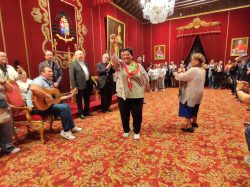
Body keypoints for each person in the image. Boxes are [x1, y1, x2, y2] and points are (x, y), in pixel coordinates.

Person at [26, 65, 82, 140]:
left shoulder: (49, 82)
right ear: (42, 73)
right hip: (37, 108)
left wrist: (69, 96)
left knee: (65, 105)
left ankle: (71, 127)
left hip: (47, 106)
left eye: (52, 71)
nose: (52, 73)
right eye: (49, 71)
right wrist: (47, 95)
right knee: (64, 107)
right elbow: (33, 88)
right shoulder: (38, 80)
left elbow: (55, 98)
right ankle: (65, 131)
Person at [113, 47, 149, 139]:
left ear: (132, 56)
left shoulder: (138, 66)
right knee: (124, 115)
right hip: (123, 95)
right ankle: (126, 130)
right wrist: (113, 45)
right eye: (124, 55)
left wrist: (145, 88)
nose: (125, 56)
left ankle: (136, 131)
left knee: (137, 115)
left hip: (137, 95)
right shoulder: (120, 65)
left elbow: (146, 77)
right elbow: (114, 58)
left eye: (128, 54)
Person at [174, 53, 206, 133]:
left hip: (191, 92)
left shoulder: (193, 70)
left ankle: (189, 126)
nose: (191, 61)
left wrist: (176, 74)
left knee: (186, 107)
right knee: (195, 106)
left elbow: (181, 77)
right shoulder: (203, 70)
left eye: (192, 60)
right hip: (198, 92)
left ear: (196, 61)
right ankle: (194, 122)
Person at [69, 50, 93, 119]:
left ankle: (87, 112)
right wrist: (74, 87)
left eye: (82, 54)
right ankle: (80, 113)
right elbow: (72, 77)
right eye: (79, 54)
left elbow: (88, 73)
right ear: (76, 56)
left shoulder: (85, 63)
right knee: (79, 100)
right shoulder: (73, 64)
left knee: (87, 99)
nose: (81, 56)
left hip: (88, 83)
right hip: (79, 85)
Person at [0, 74, 20, 154]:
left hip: (3, 104)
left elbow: (10, 89)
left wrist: (3, 81)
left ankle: (8, 147)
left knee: (6, 127)